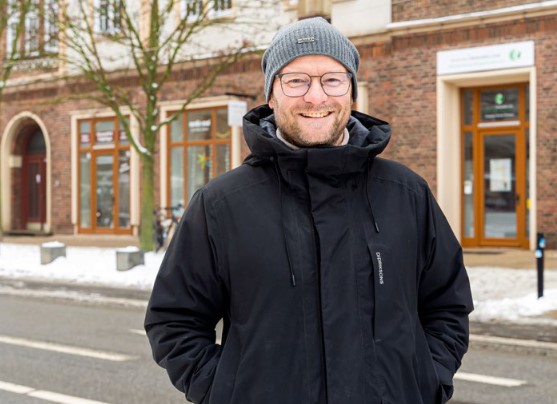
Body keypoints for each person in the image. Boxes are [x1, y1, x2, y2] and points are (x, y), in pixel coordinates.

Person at [145, 17, 474, 404]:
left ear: (351, 91)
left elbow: (447, 305)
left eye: (332, 79)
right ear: (271, 95)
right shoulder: (221, 205)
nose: (316, 96)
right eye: (296, 80)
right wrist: (227, 391)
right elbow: (173, 320)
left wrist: (425, 380)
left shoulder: (406, 194)